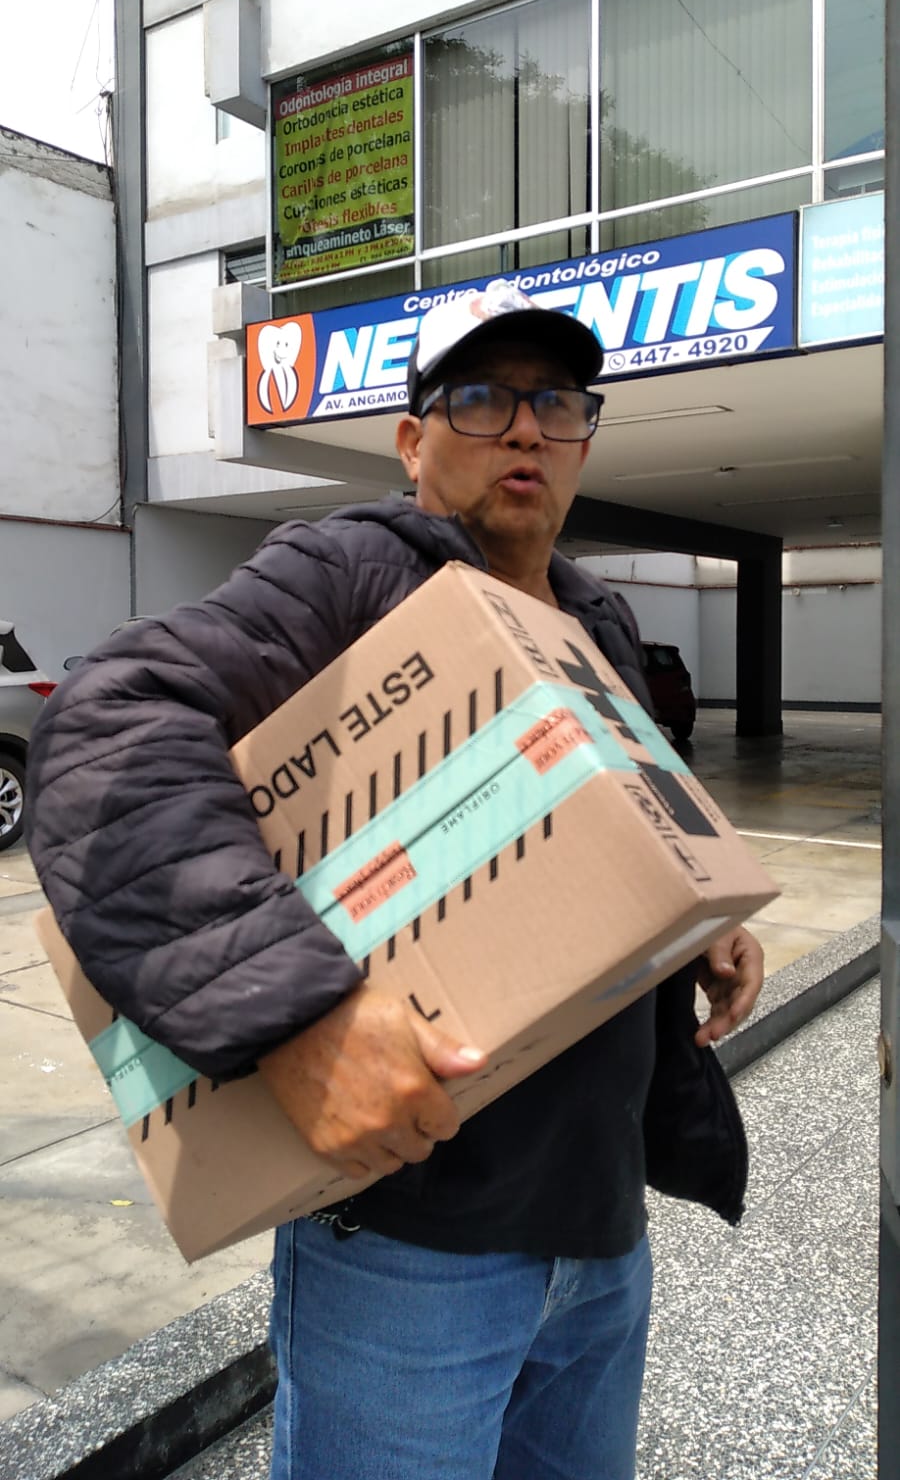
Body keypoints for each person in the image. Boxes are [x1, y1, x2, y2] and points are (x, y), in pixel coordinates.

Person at [26, 278, 763, 1480]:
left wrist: (699, 926)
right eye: (482, 399)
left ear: (584, 441)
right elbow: (111, 728)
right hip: (411, 1256)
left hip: (603, 1236)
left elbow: (614, 827)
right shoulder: (351, 573)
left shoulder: (599, 620)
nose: (525, 429)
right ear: (413, 443)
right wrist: (297, 1013)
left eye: (557, 403)